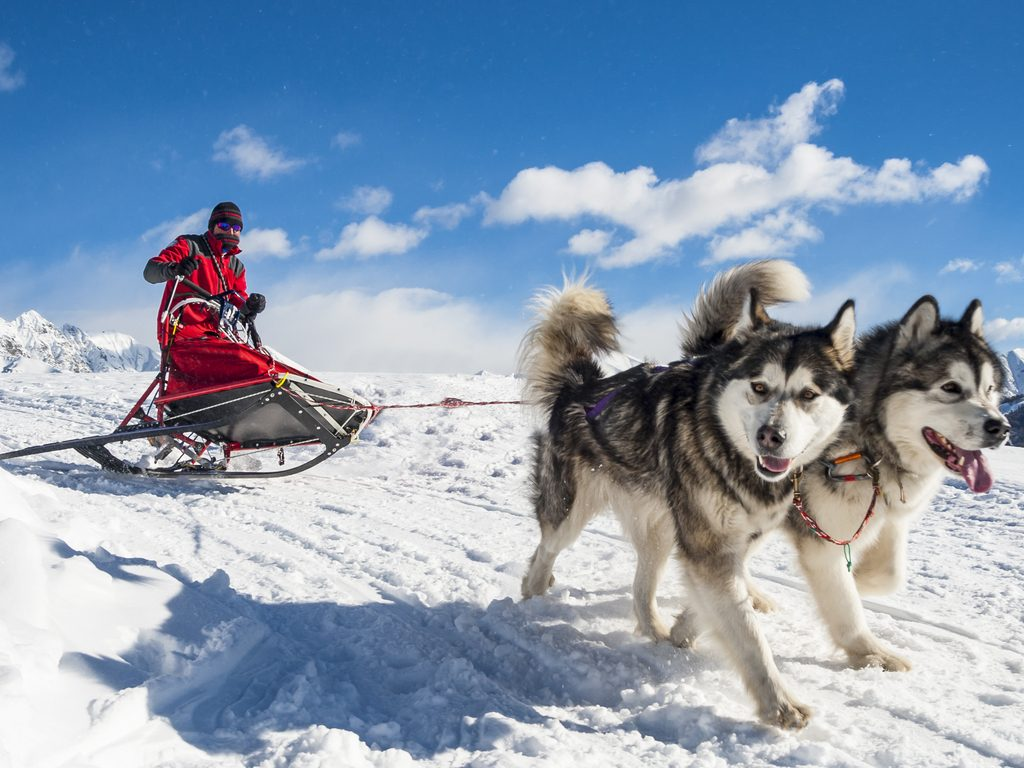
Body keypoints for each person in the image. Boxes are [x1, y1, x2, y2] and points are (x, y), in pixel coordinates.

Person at [144, 201, 266, 348]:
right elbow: (150, 272)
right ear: (212, 226)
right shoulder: (188, 245)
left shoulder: (236, 266)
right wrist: (174, 269)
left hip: (221, 337)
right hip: (183, 333)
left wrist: (250, 306)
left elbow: (238, 302)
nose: (231, 232)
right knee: (238, 359)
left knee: (252, 359)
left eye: (236, 228)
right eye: (224, 226)